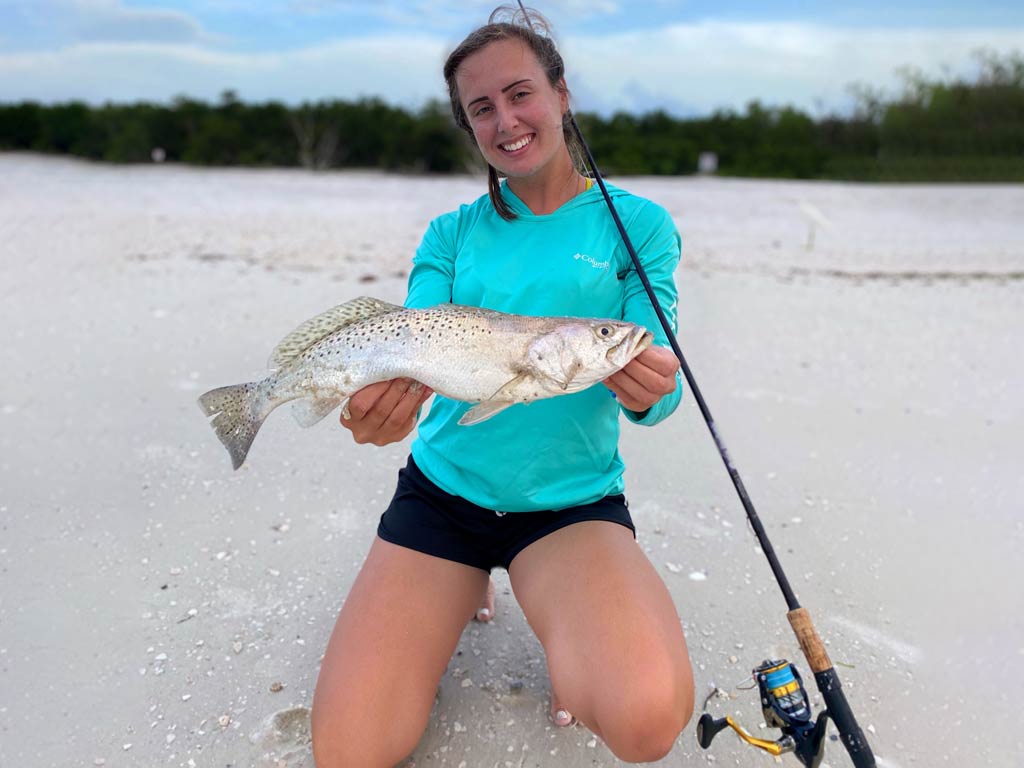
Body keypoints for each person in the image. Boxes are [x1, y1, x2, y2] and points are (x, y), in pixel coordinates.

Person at [311, 6, 694, 766]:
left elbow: (661, 381)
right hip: (442, 499)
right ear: (469, 125)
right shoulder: (449, 235)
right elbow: (415, 350)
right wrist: (377, 412)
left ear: (561, 93)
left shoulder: (638, 226)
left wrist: (650, 388)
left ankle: (562, 615)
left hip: (570, 508)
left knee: (646, 719)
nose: (506, 120)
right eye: (481, 108)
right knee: (350, 753)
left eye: (521, 93)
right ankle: (466, 587)